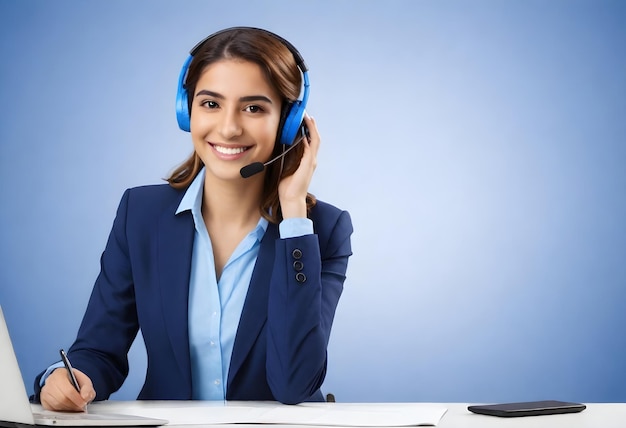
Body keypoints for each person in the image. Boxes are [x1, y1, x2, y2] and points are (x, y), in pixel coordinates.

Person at [33, 27, 353, 411]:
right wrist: (69, 379)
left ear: (289, 121)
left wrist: (294, 215)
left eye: (254, 108)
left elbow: (293, 384)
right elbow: (98, 351)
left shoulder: (322, 231)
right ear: (186, 111)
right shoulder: (141, 215)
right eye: (211, 104)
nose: (229, 127)